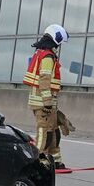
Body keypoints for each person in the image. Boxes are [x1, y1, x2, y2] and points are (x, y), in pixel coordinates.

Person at [23, 24, 68, 169]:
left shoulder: (43, 54)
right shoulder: (47, 57)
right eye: (59, 43)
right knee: (44, 132)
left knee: (53, 132)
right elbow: (44, 80)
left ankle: (56, 161)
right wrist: (48, 102)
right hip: (43, 102)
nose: (59, 46)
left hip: (47, 101)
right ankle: (38, 161)